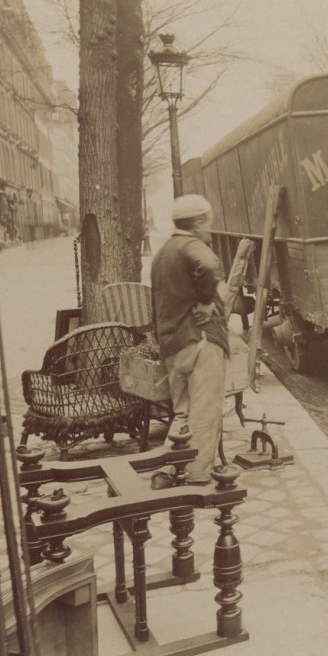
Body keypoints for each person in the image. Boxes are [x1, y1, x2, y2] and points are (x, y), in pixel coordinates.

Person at [149, 193, 229, 489]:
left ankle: (168, 472)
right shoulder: (192, 245)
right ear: (196, 223)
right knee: (205, 411)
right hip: (201, 342)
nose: (210, 230)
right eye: (208, 224)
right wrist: (207, 302)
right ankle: (196, 478)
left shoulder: (162, 253)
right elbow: (209, 264)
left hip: (173, 346)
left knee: (182, 411)